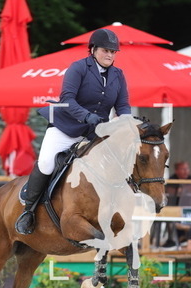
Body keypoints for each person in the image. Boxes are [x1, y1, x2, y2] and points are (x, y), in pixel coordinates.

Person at [15, 28, 131, 235]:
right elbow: (67, 99)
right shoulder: (78, 68)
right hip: (66, 128)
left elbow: (122, 105)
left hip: (95, 133)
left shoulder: (118, 75)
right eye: (105, 50)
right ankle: (28, 211)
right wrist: (86, 116)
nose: (110, 55)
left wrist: (126, 122)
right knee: (46, 163)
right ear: (93, 50)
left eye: (113, 52)